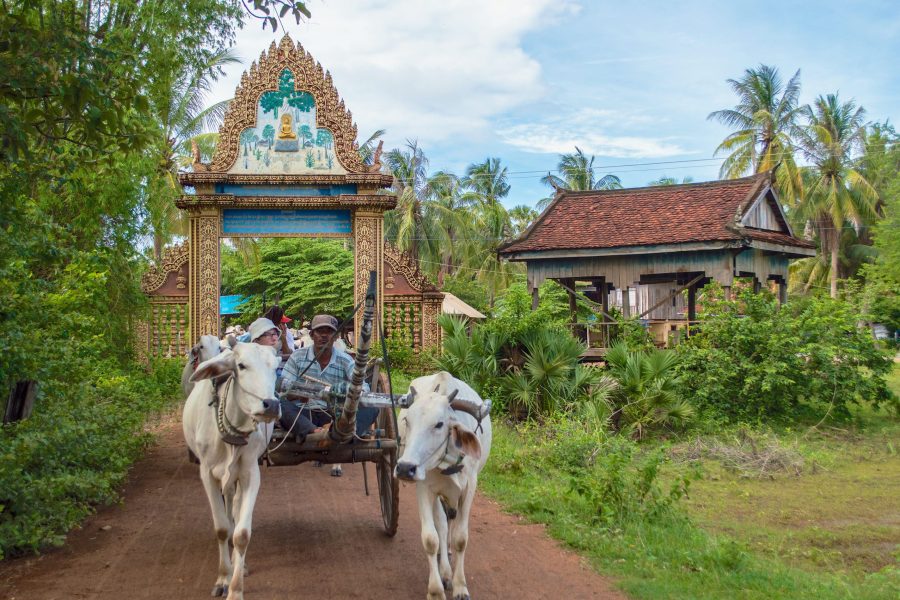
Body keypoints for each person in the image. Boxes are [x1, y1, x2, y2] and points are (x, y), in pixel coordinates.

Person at [279, 314, 379, 476]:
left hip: (335, 417)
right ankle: (316, 433)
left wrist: (347, 393)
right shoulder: (297, 357)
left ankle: (342, 434)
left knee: (372, 408)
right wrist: (297, 392)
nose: (324, 335)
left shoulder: (345, 360)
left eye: (329, 332)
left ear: (336, 337)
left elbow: (362, 388)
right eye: (319, 331)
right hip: (304, 415)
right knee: (281, 406)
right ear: (312, 335)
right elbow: (283, 387)